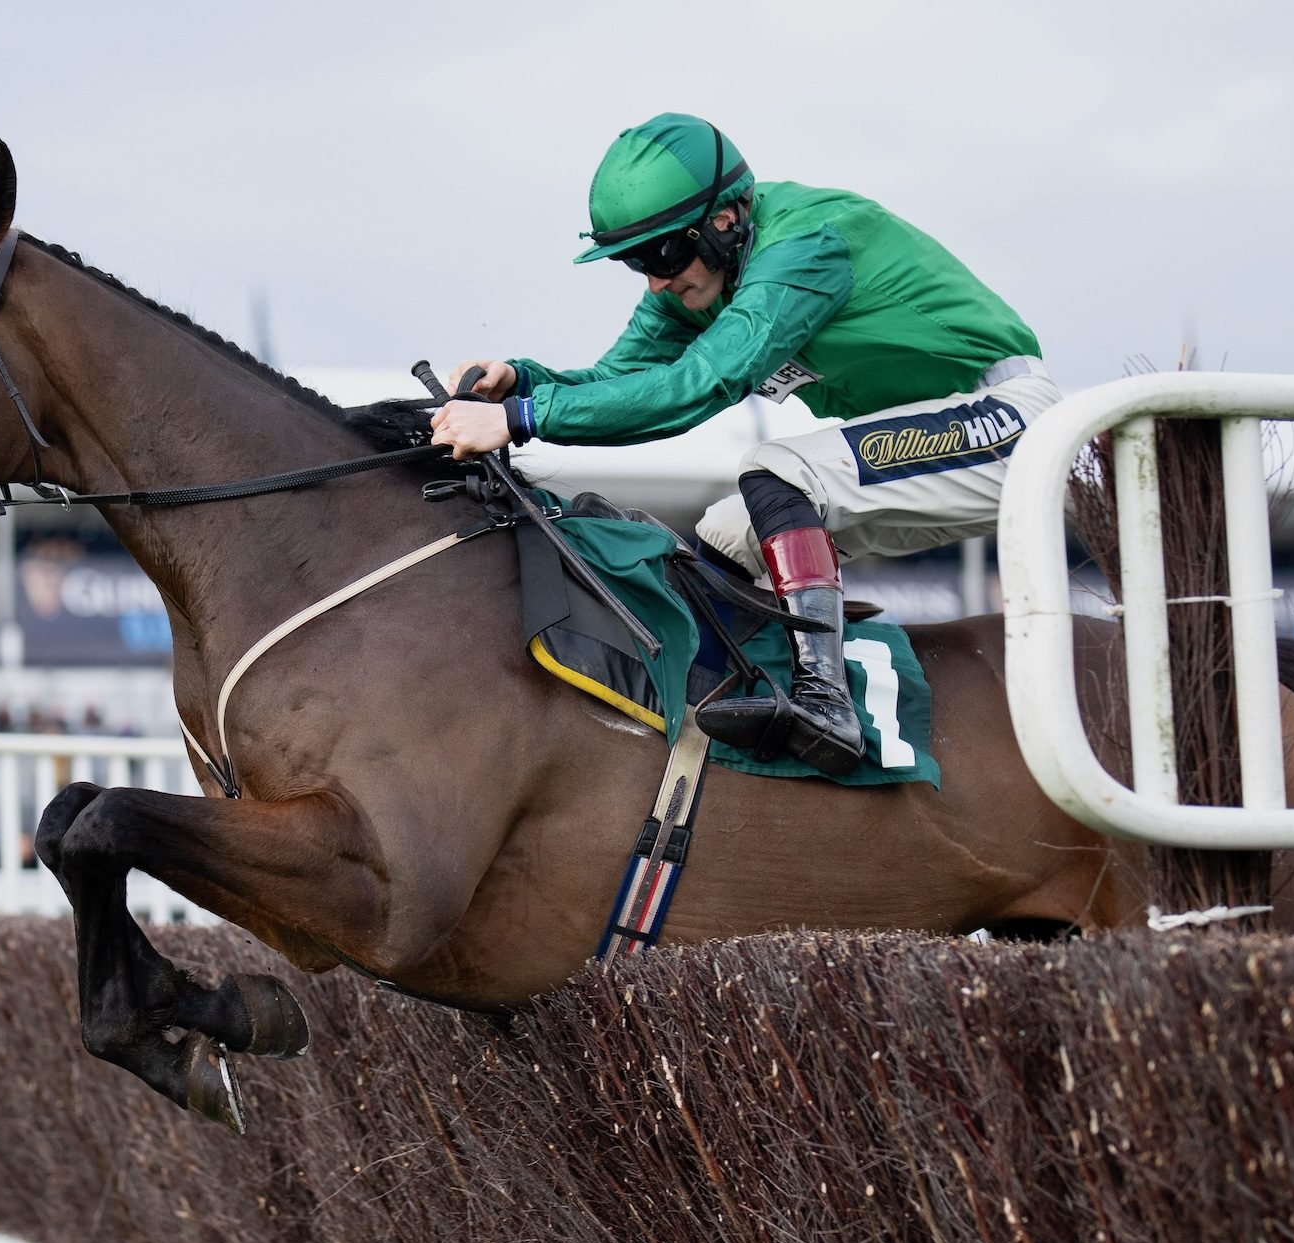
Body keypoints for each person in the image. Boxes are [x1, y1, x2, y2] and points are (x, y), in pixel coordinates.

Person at [432, 112, 1058, 776]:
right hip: (923, 442)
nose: (655, 280)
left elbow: (702, 385)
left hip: (1009, 423)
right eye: (636, 261)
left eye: (666, 254)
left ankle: (825, 704)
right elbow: (625, 379)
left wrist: (522, 419)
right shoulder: (701, 277)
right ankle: (713, 716)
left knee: (777, 475)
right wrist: (523, 381)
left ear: (726, 220)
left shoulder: (804, 248)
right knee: (727, 533)